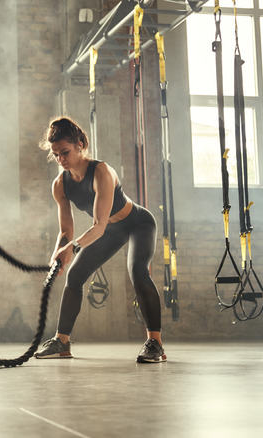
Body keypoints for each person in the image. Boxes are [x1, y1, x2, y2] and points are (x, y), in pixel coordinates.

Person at [34, 116, 166, 363]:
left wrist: (71, 249)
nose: (61, 159)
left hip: (137, 224)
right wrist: (58, 253)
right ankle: (62, 342)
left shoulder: (102, 172)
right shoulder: (59, 185)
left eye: (65, 152)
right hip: (109, 232)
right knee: (74, 276)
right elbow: (66, 231)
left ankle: (155, 343)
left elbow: (98, 225)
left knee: (138, 271)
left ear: (80, 144)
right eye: (56, 155)